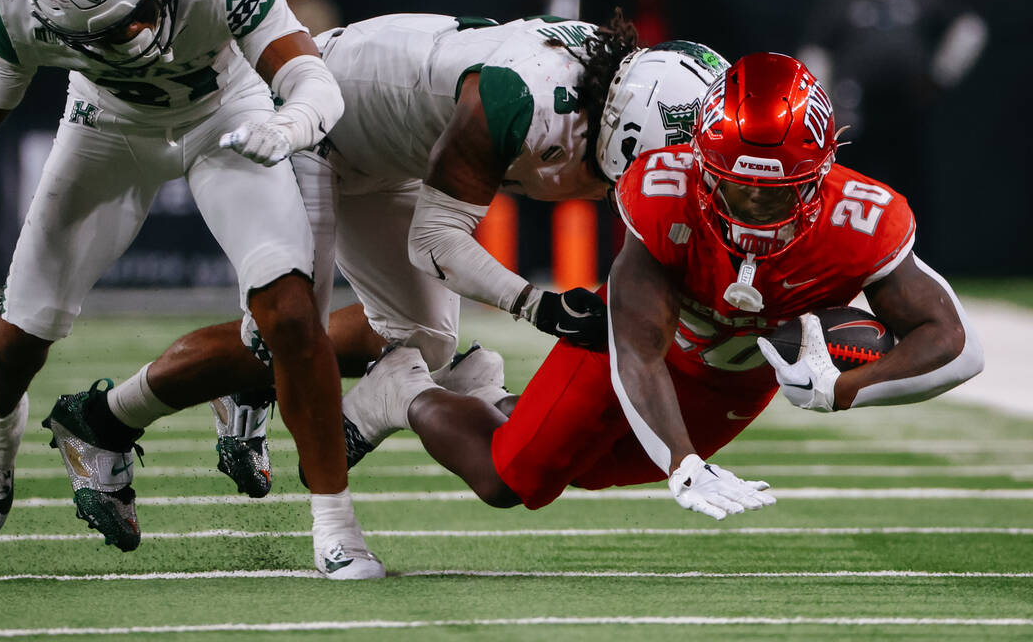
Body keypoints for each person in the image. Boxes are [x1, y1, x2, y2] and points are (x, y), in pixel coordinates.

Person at [0, 0, 382, 579]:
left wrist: (289, 122)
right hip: (106, 126)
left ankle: (336, 526)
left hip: (225, 112)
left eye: (142, 7)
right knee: (21, 332)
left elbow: (314, 81)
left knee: (291, 315)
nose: (140, 33)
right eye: (114, 29)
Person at [47, 15, 730, 512]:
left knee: (423, 342)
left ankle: (290, 390)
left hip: (394, 154)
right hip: (317, 123)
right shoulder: (522, 99)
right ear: (634, 129)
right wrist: (537, 304)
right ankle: (105, 418)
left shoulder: (609, 100)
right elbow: (434, 243)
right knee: (291, 336)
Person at [328, 52, 984, 519]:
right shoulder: (663, 192)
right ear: (703, 165)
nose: (755, 211)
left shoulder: (860, 221)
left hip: (731, 382)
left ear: (819, 177)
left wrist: (844, 389)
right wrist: (682, 464)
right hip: (634, 348)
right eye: (739, 189)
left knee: (584, 469)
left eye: (776, 193)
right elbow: (636, 351)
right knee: (513, 480)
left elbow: (955, 345)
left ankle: (480, 389)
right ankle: (403, 389)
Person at [797, 0, 986, 223]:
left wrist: (941, 75)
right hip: (854, 108)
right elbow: (816, 50)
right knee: (852, 181)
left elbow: (969, 28)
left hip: (907, 106)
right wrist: (822, 100)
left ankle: (911, 242)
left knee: (910, 182)